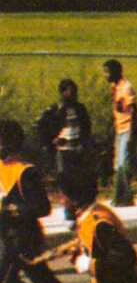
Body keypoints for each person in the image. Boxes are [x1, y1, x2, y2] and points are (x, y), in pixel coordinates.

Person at [0, 120, 83, 283]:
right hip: (7, 238)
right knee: (42, 279)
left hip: (24, 239)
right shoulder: (2, 169)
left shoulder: (25, 172)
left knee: (8, 278)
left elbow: (42, 208)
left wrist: (11, 211)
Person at [35, 78, 94, 220]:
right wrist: (52, 141)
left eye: (75, 91)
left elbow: (86, 128)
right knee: (64, 181)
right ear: (62, 93)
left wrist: (84, 144)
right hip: (63, 151)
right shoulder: (55, 110)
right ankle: (69, 211)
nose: (73, 95)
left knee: (78, 181)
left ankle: (79, 209)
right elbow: (39, 126)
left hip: (77, 150)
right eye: (70, 92)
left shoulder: (80, 109)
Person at [104, 59, 137, 206]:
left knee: (124, 164)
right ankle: (119, 197)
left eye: (107, 72)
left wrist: (131, 131)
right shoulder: (115, 88)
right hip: (120, 129)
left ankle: (126, 196)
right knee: (118, 165)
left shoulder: (126, 88)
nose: (106, 75)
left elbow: (133, 110)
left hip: (127, 129)